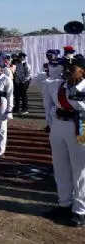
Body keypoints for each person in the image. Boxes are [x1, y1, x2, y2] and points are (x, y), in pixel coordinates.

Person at [43, 56, 85, 226]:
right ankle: (64, 204)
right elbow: (52, 105)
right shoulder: (58, 85)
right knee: (60, 167)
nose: (67, 70)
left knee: (80, 170)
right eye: (66, 66)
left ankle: (80, 210)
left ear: (83, 70)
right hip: (59, 125)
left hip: (81, 127)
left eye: (72, 67)